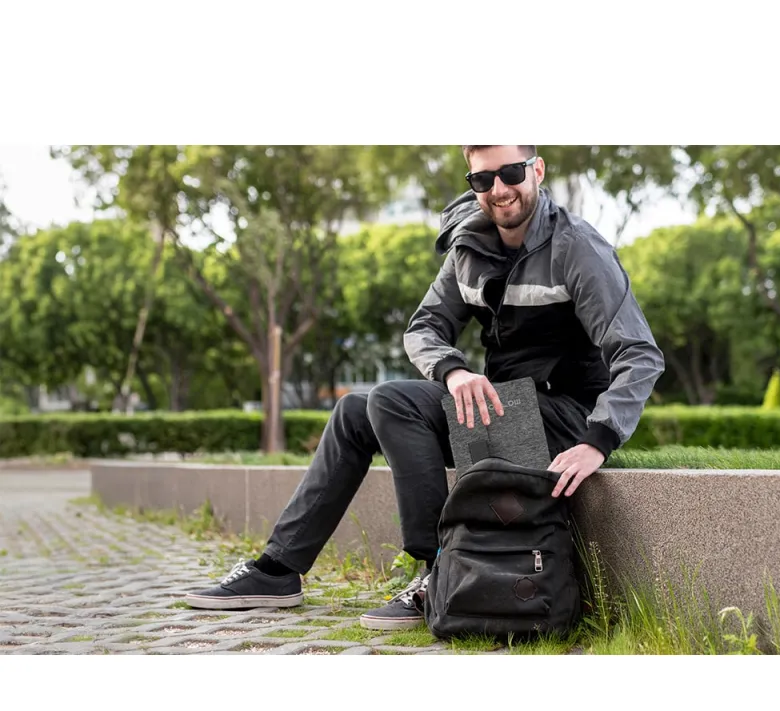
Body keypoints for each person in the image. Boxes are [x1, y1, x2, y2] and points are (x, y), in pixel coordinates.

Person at [185, 145, 665, 631]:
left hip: (563, 420)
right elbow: (423, 327)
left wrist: (597, 440)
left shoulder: (577, 248)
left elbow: (640, 353)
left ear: (537, 170)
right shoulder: (470, 246)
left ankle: (440, 571)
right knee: (354, 413)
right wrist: (454, 371)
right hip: (509, 412)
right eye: (483, 180)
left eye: (511, 173)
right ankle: (278, 569)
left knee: (392, 401)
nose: (499, 190)